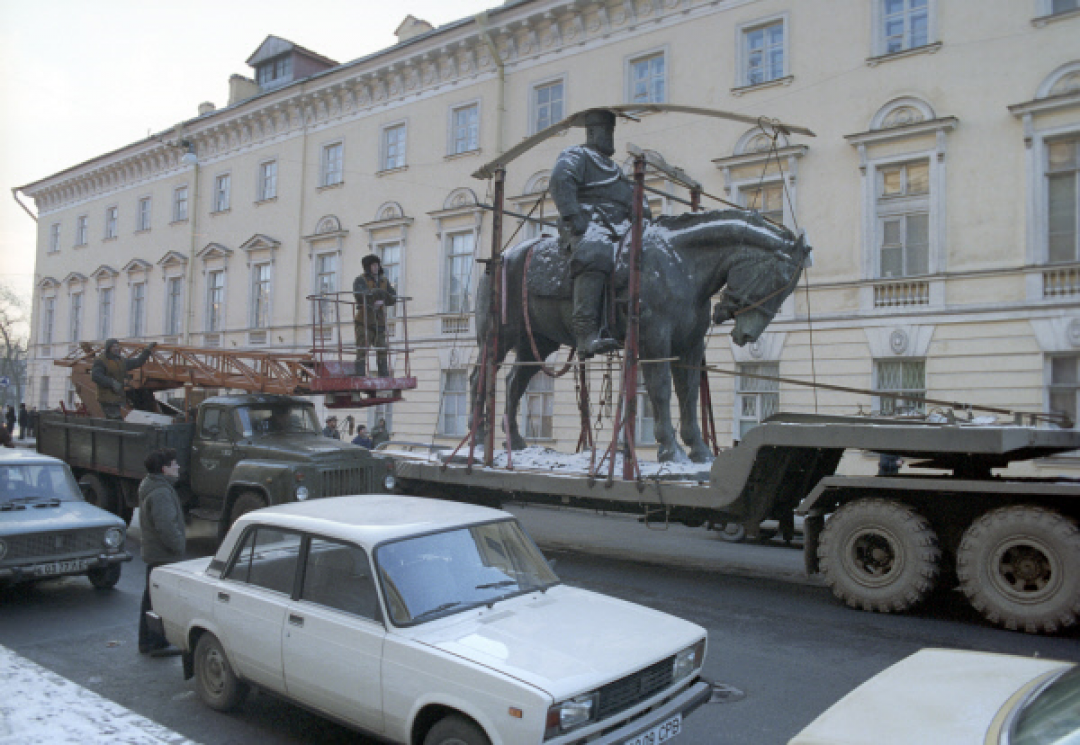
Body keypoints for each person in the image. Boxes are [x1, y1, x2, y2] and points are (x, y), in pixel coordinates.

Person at [550, 108, 649, 358]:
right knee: (596, 252)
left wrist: (642, 209)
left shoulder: (613, 167)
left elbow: (629, 194)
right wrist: (573, 214)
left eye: (612, 132)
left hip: (618, 226)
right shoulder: (577, 154)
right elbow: (561, 178)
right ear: (592, 133)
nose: (610, 138)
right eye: (606, 132)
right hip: (588, 222)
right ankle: (585, 332)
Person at [138, 447, 185, 656]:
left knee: (151, 597)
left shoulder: (154, 485)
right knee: (158, 599)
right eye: (174, 464)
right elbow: (166, 526)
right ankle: (154, 642)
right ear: (165, 469)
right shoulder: (161, 493)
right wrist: (178, 546)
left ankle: (149, 641)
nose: (178, 467)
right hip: (162, 554)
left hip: (156, 553)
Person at [353, 254, 397, 377]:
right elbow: (360, 296)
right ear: (368, 267)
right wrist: (376, 297)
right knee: (362, 348)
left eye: (377, 264)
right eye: (373, 265)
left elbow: (393, 297)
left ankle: (384, 374)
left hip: (379, 322)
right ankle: (360, 375)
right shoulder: (360, 280)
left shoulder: (384, 281)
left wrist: (382, 299)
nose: (376, 267)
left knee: (382, 349)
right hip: (364, 321)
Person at [91, 338, 157, 420]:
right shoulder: (101, 361)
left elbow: (137, 362)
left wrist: (147, 350)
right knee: (116, 421)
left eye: (117, 346)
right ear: (108, 348)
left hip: (117, 397)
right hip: (106, 398)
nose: (116, 348)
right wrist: (112, 383)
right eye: (113, 347)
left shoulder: (121, 361)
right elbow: (95, 376)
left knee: (114, 421)